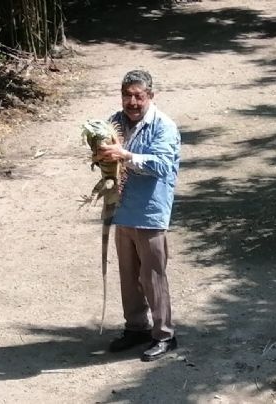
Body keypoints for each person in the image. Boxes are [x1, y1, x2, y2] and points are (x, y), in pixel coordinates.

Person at [96, 69, 181, 362]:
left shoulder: (164, 126)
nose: (132, 102)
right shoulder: (114, 122)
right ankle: (136, 328)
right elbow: (104, 152)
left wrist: (126, 156)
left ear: (150, 96)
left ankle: (164, 335)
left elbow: (161, 165)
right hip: (122, 209)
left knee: (152, 276)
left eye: (138, 96)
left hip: (150, 211)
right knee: (129, 276)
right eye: (127, 95)